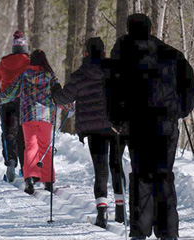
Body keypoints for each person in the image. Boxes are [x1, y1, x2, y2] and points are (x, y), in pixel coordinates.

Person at [109, 14, 194, 240]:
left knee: (141, 175)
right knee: (163, 174)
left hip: (138, 124)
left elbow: (112, 87)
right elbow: (189, 85)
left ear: (129, 29)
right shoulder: (171, 54)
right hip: (166, 125)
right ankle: (167, 231)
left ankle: (140, 230)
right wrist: (180, 111)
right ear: (149, 29)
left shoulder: (122, 52)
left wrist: (116, 119)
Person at [51, 37, 126, 228]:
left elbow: (62, 98)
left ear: (86, 53)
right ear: (104, 53)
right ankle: (120, 210)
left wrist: (55, 89)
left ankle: (102, 213)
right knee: (116, 165)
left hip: (93, 130)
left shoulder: (80, 74)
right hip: (114, 125)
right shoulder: (113, 70)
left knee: (101, 171)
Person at [0, 49, 73, 194]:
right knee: (45, 147)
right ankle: (48, 180)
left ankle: (30, 179)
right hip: (46, 116)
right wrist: (69, 107)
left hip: (28, 116)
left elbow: (11, 92)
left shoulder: (24, 76)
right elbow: (58, 95)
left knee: (30, 147)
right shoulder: (50, 77)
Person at [0, 30, 28, 182]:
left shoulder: (4, 62)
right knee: (23, 134)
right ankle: (25, 168)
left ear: (13, 47)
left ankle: (11, 161)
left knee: (9, 133)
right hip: (25, 103)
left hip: (6, 102)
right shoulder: (29, 62)